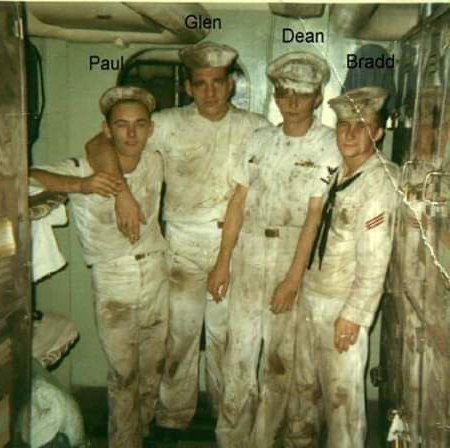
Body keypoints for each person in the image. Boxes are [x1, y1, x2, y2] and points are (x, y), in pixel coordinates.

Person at [85, 42, 269, 436]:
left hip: (233, 244)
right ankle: (173, 416)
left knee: (224, 338)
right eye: (200, 84)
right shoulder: (166, 124)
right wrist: (121, 192)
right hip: (183, 243)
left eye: (217, 82)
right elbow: (99, 143)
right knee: (180, 337)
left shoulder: (256, 127)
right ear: (188, 88)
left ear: (231, 85)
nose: (210, 92)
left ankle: (225, 414)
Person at [207, 51, 341, 447]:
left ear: (317, 98)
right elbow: (237, 202)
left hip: (292, 252)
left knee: (279, 362)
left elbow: (315, 215)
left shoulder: (328, 144)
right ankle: (231, 440)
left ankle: (264, 440)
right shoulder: (259, 139)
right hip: (248, 251)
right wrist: (222, 263)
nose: (291, 101)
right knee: (238, 355)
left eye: (302, 93)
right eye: (284, 92)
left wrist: (293, 279)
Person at [30, 86, 168, 448]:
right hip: (114, 278)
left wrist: (123, 192)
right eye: (121, 125)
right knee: (124, 373)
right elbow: (26, 175)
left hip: (157, 271)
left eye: (140, 124)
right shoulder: (83, 167)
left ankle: (145, 430)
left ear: (151, 129)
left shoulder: (155, 160)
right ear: (107, 129)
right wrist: (82, 185)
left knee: (153, 368)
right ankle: (123, 442)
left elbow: (104, 144)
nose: (132, 134)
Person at [286, 86, 399, 447]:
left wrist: (353, 316)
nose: (349, 134)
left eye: (361, 125)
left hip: (341, 304)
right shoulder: (336, 170)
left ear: (377, 133)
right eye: (343, 125)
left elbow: (375, 260)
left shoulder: (380, 182)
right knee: (305, 391)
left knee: (342, 403)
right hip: (314, 294)